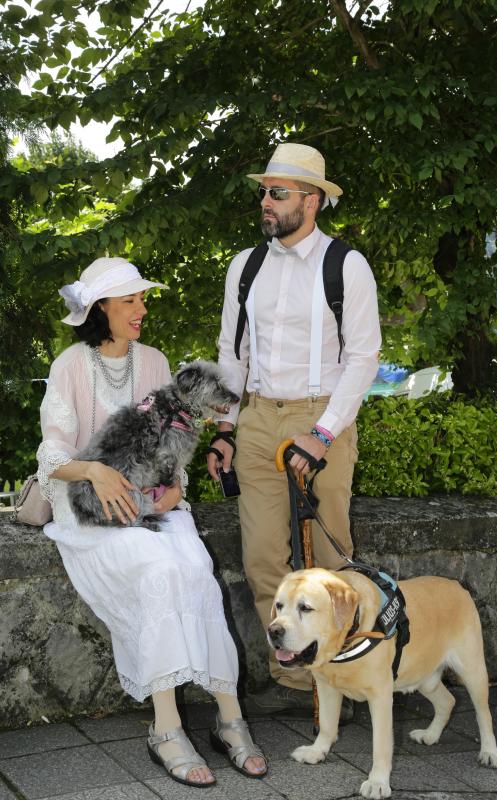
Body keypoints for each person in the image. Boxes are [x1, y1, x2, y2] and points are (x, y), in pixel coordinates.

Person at [37, 256, 266, 787]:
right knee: (159, 570)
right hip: (93, 509)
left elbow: (173, 450)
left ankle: (229, 719)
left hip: (156, 504)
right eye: (130, 301)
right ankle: (166, 728)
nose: (142, 310)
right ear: (101, 310)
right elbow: (53, 455)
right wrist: (97, 472)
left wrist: (173, 492)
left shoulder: (157, 361)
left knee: (195, 569)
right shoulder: (70, 365)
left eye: (142, 300)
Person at [207, 143, 381, 715]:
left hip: (320, 417)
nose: (265, 201)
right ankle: (300, 681)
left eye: (277, 193)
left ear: (311, 201)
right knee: (263, 561)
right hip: (257, 419)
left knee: (332, 568)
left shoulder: (346, 266)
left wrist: (324, 433)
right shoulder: (245, 266)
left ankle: (344, 677)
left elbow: (363, 359)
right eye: (264, 190)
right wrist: (226, 429)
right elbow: (232, 356)